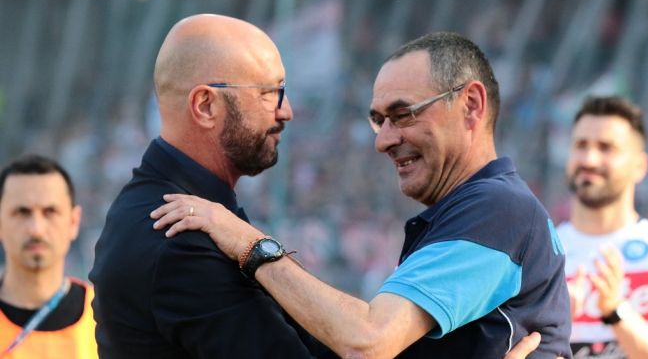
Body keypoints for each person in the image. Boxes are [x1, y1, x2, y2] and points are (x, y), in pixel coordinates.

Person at [151, 32, 573, 358]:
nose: (384, 140)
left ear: (471, 104)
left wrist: (248, 243)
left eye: (402, 114)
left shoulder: (497, 209)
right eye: (378, 120)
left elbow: (368, 343)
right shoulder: (478, 209)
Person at [88, 14, 334, 358]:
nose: (286, 111)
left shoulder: (189, 211)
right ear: (205, 106)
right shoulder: (178, 237)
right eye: (269, 93)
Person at [559, 96, 648, 358]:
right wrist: (554, 326)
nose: (589, 159)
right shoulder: (540, 254)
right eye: (581, 145)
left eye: (606, 147)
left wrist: (614, 310)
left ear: (640, 166)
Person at [0, 154, 97, 358]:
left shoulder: (108, 319)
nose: (36, 229)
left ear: (73, 221)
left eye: (50, 212)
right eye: (22, 212)